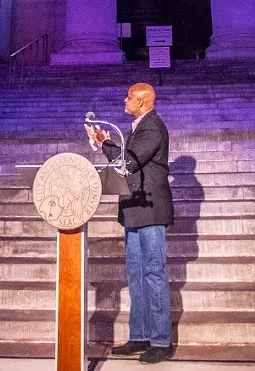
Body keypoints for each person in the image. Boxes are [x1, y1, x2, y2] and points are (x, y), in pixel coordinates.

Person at [87, 82, 173, 364]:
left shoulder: (152, 126)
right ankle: (140, 335)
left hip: (150, 211)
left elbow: (130, 163)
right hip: (134, 209)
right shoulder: (138, 126)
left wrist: (104, 143)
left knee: (153, 273)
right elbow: (126, 162)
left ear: (143, 102)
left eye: (129, 97)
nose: (125, 100)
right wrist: (105, 143)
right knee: (136, 274)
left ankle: (160, 341)